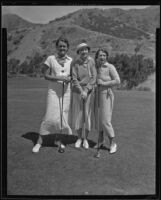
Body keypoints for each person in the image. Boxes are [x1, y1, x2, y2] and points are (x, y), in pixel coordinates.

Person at [32, 37, 73, 153]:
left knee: (62, 117)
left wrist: (70, 79)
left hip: (66, 93)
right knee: (49, 116)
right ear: (56, 47)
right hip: (53, 92)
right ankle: (39, 142)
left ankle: (57, 140)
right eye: (60, 46)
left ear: (67, 48)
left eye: (64, 46)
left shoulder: (71, 60)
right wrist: (59, 78)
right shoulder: (51, 58)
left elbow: (73, 75)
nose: (62, 48)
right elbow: (45, 75)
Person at [94, 48, 120, 154]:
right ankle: (101, 141)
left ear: (106, 57)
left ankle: (113, 144)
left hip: (107, 96)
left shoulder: (110, 67)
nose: (102, 57)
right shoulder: (96, 66)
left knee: (105, 121)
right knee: (99, 120)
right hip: (97, 95)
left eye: (104, 55)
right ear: (97, 57)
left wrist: (104, 83)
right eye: (100, 55)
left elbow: (117, 80)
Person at [71, 42, 97, 149]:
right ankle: (79, 138)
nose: (83, 51)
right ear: (78, 52)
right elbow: (74, 78)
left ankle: (85, 139)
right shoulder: (75, 63)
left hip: (89, 92)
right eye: (81, 50)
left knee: (87, 115)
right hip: (77, 92)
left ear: (88, 50)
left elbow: (94, 77)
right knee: (79, 115)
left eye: (85, 49)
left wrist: (86, 90)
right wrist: (81, 91)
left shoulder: (91, 62)